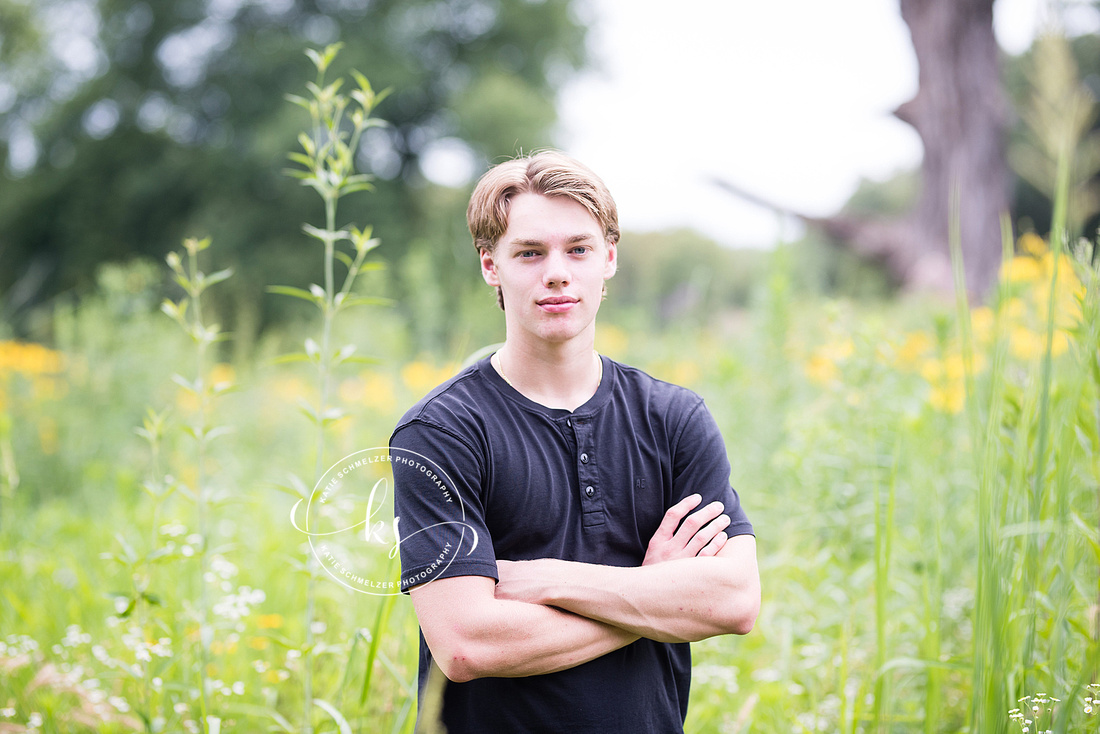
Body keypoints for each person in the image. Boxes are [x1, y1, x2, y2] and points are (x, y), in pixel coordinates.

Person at [389, 150, 759, 733]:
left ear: (609, 257)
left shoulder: (674, 418)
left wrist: (547, 580)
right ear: (491, 266)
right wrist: (653, 592)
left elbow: (734, 601)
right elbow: (463, 644)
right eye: (530, 253)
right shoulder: (441, 433)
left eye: (578, 249)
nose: (556, 272)